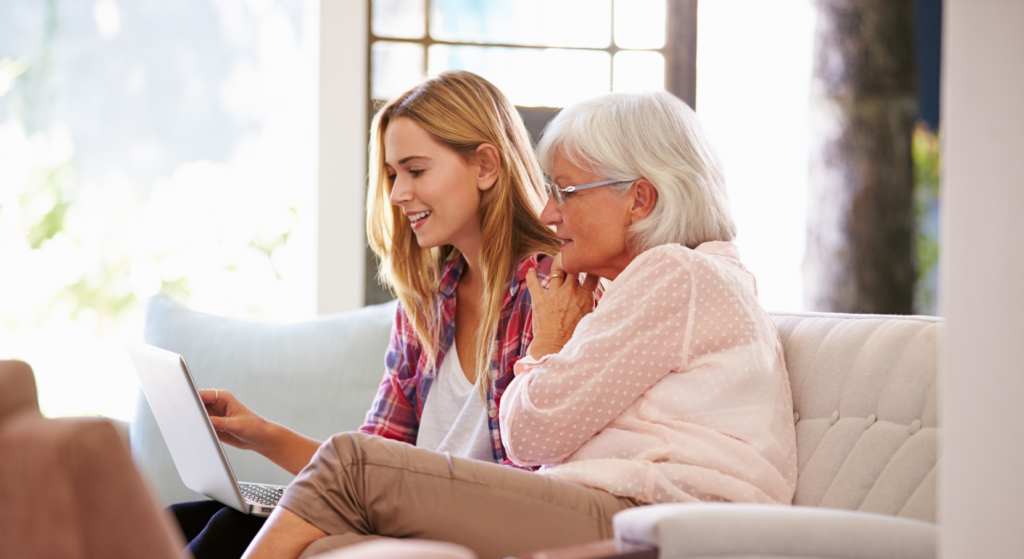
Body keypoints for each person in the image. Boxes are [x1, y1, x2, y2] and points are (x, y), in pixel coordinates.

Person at [242, 90, 798, 559]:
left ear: (641, 200)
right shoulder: (651, 286)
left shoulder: (677, 273)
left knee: (348, 464)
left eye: (566, 192)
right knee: (289, 510)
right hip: (628, 515)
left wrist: (548, 343)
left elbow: (531, 435)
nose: (550, 212)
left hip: (653, 523)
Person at [171, 70, 560, 559]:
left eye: (415, 171)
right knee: (183, 518)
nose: (397, 195)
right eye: (394, 174)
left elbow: (543, 486)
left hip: (476, 527)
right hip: (402, 517)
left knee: (229, 530)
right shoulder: (425, 305)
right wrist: (263, 435)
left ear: (485, 166)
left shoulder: (552, 290)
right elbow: (366, 467)